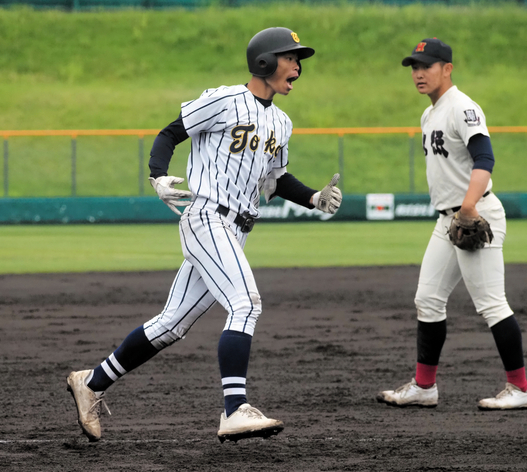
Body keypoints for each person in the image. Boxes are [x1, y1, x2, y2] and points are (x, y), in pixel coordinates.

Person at [66, 27, 342, 443]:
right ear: (264, 61)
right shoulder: (224, 99)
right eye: (291, 58)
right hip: (207, 218)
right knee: (245, 303)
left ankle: (91, 382)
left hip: (237, 228)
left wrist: (315, 198)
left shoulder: (281, 122)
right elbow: (169, 133)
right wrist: (157, 176)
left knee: (171, 324)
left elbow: (276, 179)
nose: (298, 68)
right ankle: (234, 410)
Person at [375, 38, 527, 410]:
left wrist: (468, 206)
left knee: (492, 304)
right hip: (448, 220)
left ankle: (521, 388)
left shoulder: (462, 108)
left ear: (447, 68)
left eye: (426, 66)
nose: (418, 73)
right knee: (427, 300)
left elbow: (484, 159)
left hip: (475, 214)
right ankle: (424, 387)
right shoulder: (429, 114)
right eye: (414, 67)